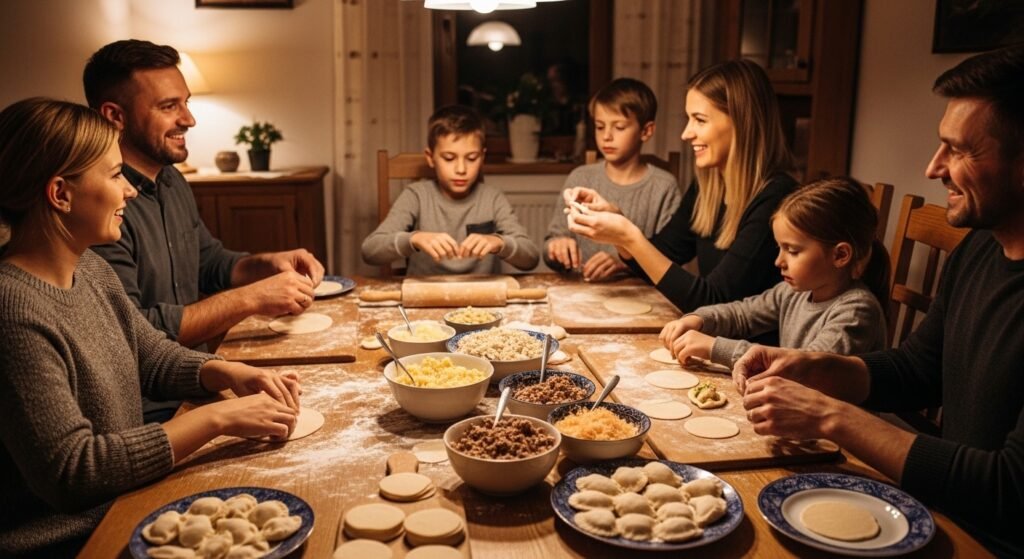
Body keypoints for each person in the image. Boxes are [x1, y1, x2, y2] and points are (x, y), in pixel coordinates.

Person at [733, 46, 1024, 556]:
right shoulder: (981, 245)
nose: (934, 168)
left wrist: (830, 416)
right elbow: (918, 368)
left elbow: (1009, 488)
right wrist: (815, 367)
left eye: (959, 150)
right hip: (939, 507)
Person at [0, 97, 302, 557]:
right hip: (73, 539)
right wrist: (216, 417)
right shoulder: (13, 310)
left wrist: (225, 371)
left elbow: (150, 356)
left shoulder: (92, 271)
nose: (131, 192)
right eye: (115, 175)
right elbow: (74, 472)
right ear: (60, 193)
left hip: (129, 499)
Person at [84, 39, 323, 421]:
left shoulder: (171, 180)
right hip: (151, 409)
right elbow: (136, 331)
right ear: (115, 116)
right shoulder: (98, 207)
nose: (189, 120)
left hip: (196, 377)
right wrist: (249, 299)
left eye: (186, 102)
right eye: (168, 106)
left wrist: (268, 264)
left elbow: (209, 261)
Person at [564, 59, 797, 312]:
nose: (686, 133)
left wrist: (629, 236)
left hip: (754, 349)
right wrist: (617, 222)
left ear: (741, 122)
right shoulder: (708, 188)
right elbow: (657, 257)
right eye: (689, 119)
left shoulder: (776, 198)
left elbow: (714, 301)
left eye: (699, 120)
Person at [660, 177, 889, 367]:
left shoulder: (857, 311)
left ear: (840, 255)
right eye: (780, 248)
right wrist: (698, 319)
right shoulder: (793, 292)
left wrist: (714, 348)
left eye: (792, 250)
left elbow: (804, 369)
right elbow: (743, 314)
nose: (779, 260)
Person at [361, 105, 540, 275]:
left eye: (471, 158)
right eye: (449, 158)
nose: (461, 169)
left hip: (481, 299)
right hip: (425, 297)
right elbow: (370, 251)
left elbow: (530, 258)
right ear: (430, 158)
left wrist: (499, 242)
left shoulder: (492, 198)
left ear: (482, 157)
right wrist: (414, 239)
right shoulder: (416, 196)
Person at [544, 78, 682, 282]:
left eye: (619, 127)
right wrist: (557, 247)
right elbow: (550, 244)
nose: (606, 136)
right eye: (600, 127)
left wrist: (625, 264)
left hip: (637, 294)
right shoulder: (581, 177)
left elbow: (670, 260)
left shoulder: (664, 187)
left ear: (646, 131)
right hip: (581, 291)